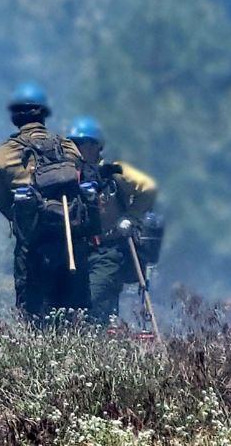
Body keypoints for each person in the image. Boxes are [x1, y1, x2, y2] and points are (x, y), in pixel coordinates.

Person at [0, 82, 89, 320]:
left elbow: (1, 198)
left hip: (32, 247)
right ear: (44, 113)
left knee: (33, 316)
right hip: (72, 242)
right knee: (75, 318)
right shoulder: (68, 147)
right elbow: (81, 177)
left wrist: (22, 220)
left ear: (15, 116)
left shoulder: (4, 154)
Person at [67, 116, 159, 325]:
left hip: (109, 249)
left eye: (82, 144)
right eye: (74, 144)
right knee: (83, 307)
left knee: (93, 299)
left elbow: (148, 188)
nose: (78, 149)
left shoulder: (114, 172)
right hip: (78, 252)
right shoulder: (70, 176)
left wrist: (131, 217)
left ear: (96, 146)